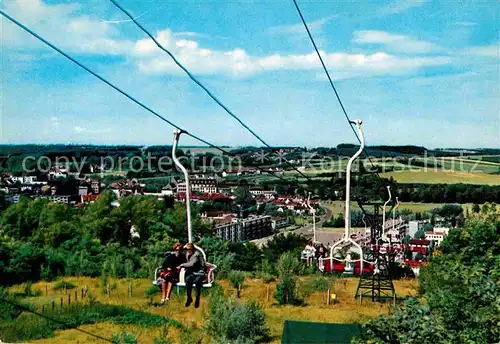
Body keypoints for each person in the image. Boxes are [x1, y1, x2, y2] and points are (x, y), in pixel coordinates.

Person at [178, 242, 206, 308]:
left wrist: (182, 265)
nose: (188, 251)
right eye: (187, 249)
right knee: (188, 279)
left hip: (200, 272)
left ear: (193, 249)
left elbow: (192, 264)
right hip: (193, 273)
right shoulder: (187, 254)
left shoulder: (197, 254)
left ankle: (197, 298)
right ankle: (189, 297)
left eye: (190, 249)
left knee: (197, 281)